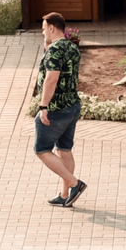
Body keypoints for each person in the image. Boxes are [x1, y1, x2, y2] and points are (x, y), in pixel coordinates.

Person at [32, 11, 87, 207]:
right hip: (72, 106)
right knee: (64, 149)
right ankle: (66, 195)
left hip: (56, 109)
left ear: (52, 28)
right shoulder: (72, 48)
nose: (43, 33)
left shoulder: (55, 50)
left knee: (42, 149)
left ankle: (74, 184)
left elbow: (52, 78)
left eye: (44, 29)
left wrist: (44, 106)